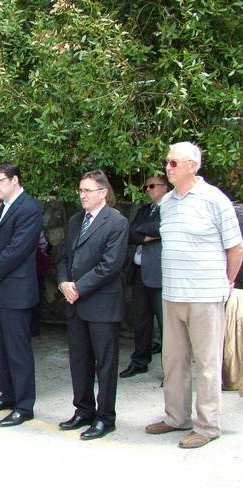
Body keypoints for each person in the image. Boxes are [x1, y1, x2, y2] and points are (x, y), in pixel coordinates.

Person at [145, 142, 243, 449]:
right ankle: (176, 417)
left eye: (174, 163)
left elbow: (235, 248)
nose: (168, 167)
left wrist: (226, 283)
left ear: (193, 166)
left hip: (204, 295)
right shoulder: (167, 203)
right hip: (172, 294)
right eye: (167, 162)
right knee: (173, 361)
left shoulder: (215, 199)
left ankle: (207, 426)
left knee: (207, 363)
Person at [56, 170, 128, 440]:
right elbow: (63, 256)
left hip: (101, 304)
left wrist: (78, 288)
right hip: (75, 303)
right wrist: (63, 283)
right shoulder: (76, 220)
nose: (82, 195)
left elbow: (110, 265)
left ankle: (105, 418)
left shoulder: (116, 222)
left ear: (103, 193)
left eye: (87, 190)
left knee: (105, 364)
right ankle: (83, 410)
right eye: (80, 190)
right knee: (79, 360)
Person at [0, 162, 43, 427]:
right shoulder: (6, 207)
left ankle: (24, 406)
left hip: (17, 290)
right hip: (1, 288)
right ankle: (8, 395)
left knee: (18, 351)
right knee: (2, 349)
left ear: (14, 180)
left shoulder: (28, 208)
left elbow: (17, 249)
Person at [120, 175, 168, 379]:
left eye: (152, 186)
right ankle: (140, 361)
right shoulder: (144, 210)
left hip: (160, 274)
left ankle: (170, 371)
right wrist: (145, 233)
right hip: (140, 272)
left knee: (166, 324)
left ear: (165, 188)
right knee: (141, 321)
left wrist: (142, 231)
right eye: (146, 186)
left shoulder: (170, 209)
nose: (147, 189)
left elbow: (161, 228)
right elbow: (130, 233)